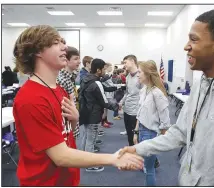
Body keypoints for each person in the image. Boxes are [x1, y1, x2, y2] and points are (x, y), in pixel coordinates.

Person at [119, 8, 214, 186]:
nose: (186, 46)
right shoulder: (202, 85)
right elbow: (180, 132)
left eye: (194, 39)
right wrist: (138, 149)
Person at [12, 25, 144, 186]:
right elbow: (60, 156)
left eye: (63, 42)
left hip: (67, 178)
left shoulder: (57, 89)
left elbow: (63, 134)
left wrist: (74, 120)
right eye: (56, 43)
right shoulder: (31, 98)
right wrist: (113, 158)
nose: (64, 47)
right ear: (37, 51)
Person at [79, 58, 122, 172]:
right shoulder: (96, 82)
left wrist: (118, 86)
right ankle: (90, 164)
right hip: (93, 115)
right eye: (103, 69)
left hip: (85, 112)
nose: (104, 71)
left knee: (86, 137)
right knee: (91, 141)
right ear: (98, 70)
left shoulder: (86, 79)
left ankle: (83, 160)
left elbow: (102, 89)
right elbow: (104, 102)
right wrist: (117, 107)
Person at [134, 60, 171, 186]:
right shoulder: (144, 90)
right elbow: (140, 114)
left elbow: (165, 121)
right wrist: (135, 132)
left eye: (139, 72)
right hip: (142, 131)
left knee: (149, 170)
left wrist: (161, 139)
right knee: (146, 166)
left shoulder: (157, 93)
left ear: (148, 73)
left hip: (151, 133)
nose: (137, 74)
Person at [57, 46, 81, 139]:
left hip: (72, 122)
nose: (79, 62)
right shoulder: (61, 79)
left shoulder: (71, 77)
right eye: (76, 59)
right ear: (66, 60)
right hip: (67, 125)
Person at [119, 55, 143, 145]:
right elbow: (127, 92)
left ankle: (139, 156)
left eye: (125, 62)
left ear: (132, 61)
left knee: (135, 137)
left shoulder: (140, 75)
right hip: (127, 109)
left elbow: (144, 95)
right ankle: (132, 154)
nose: (124, 65)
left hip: (136, 111)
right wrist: (122, 102)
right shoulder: (128, 76)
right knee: (129, 135)